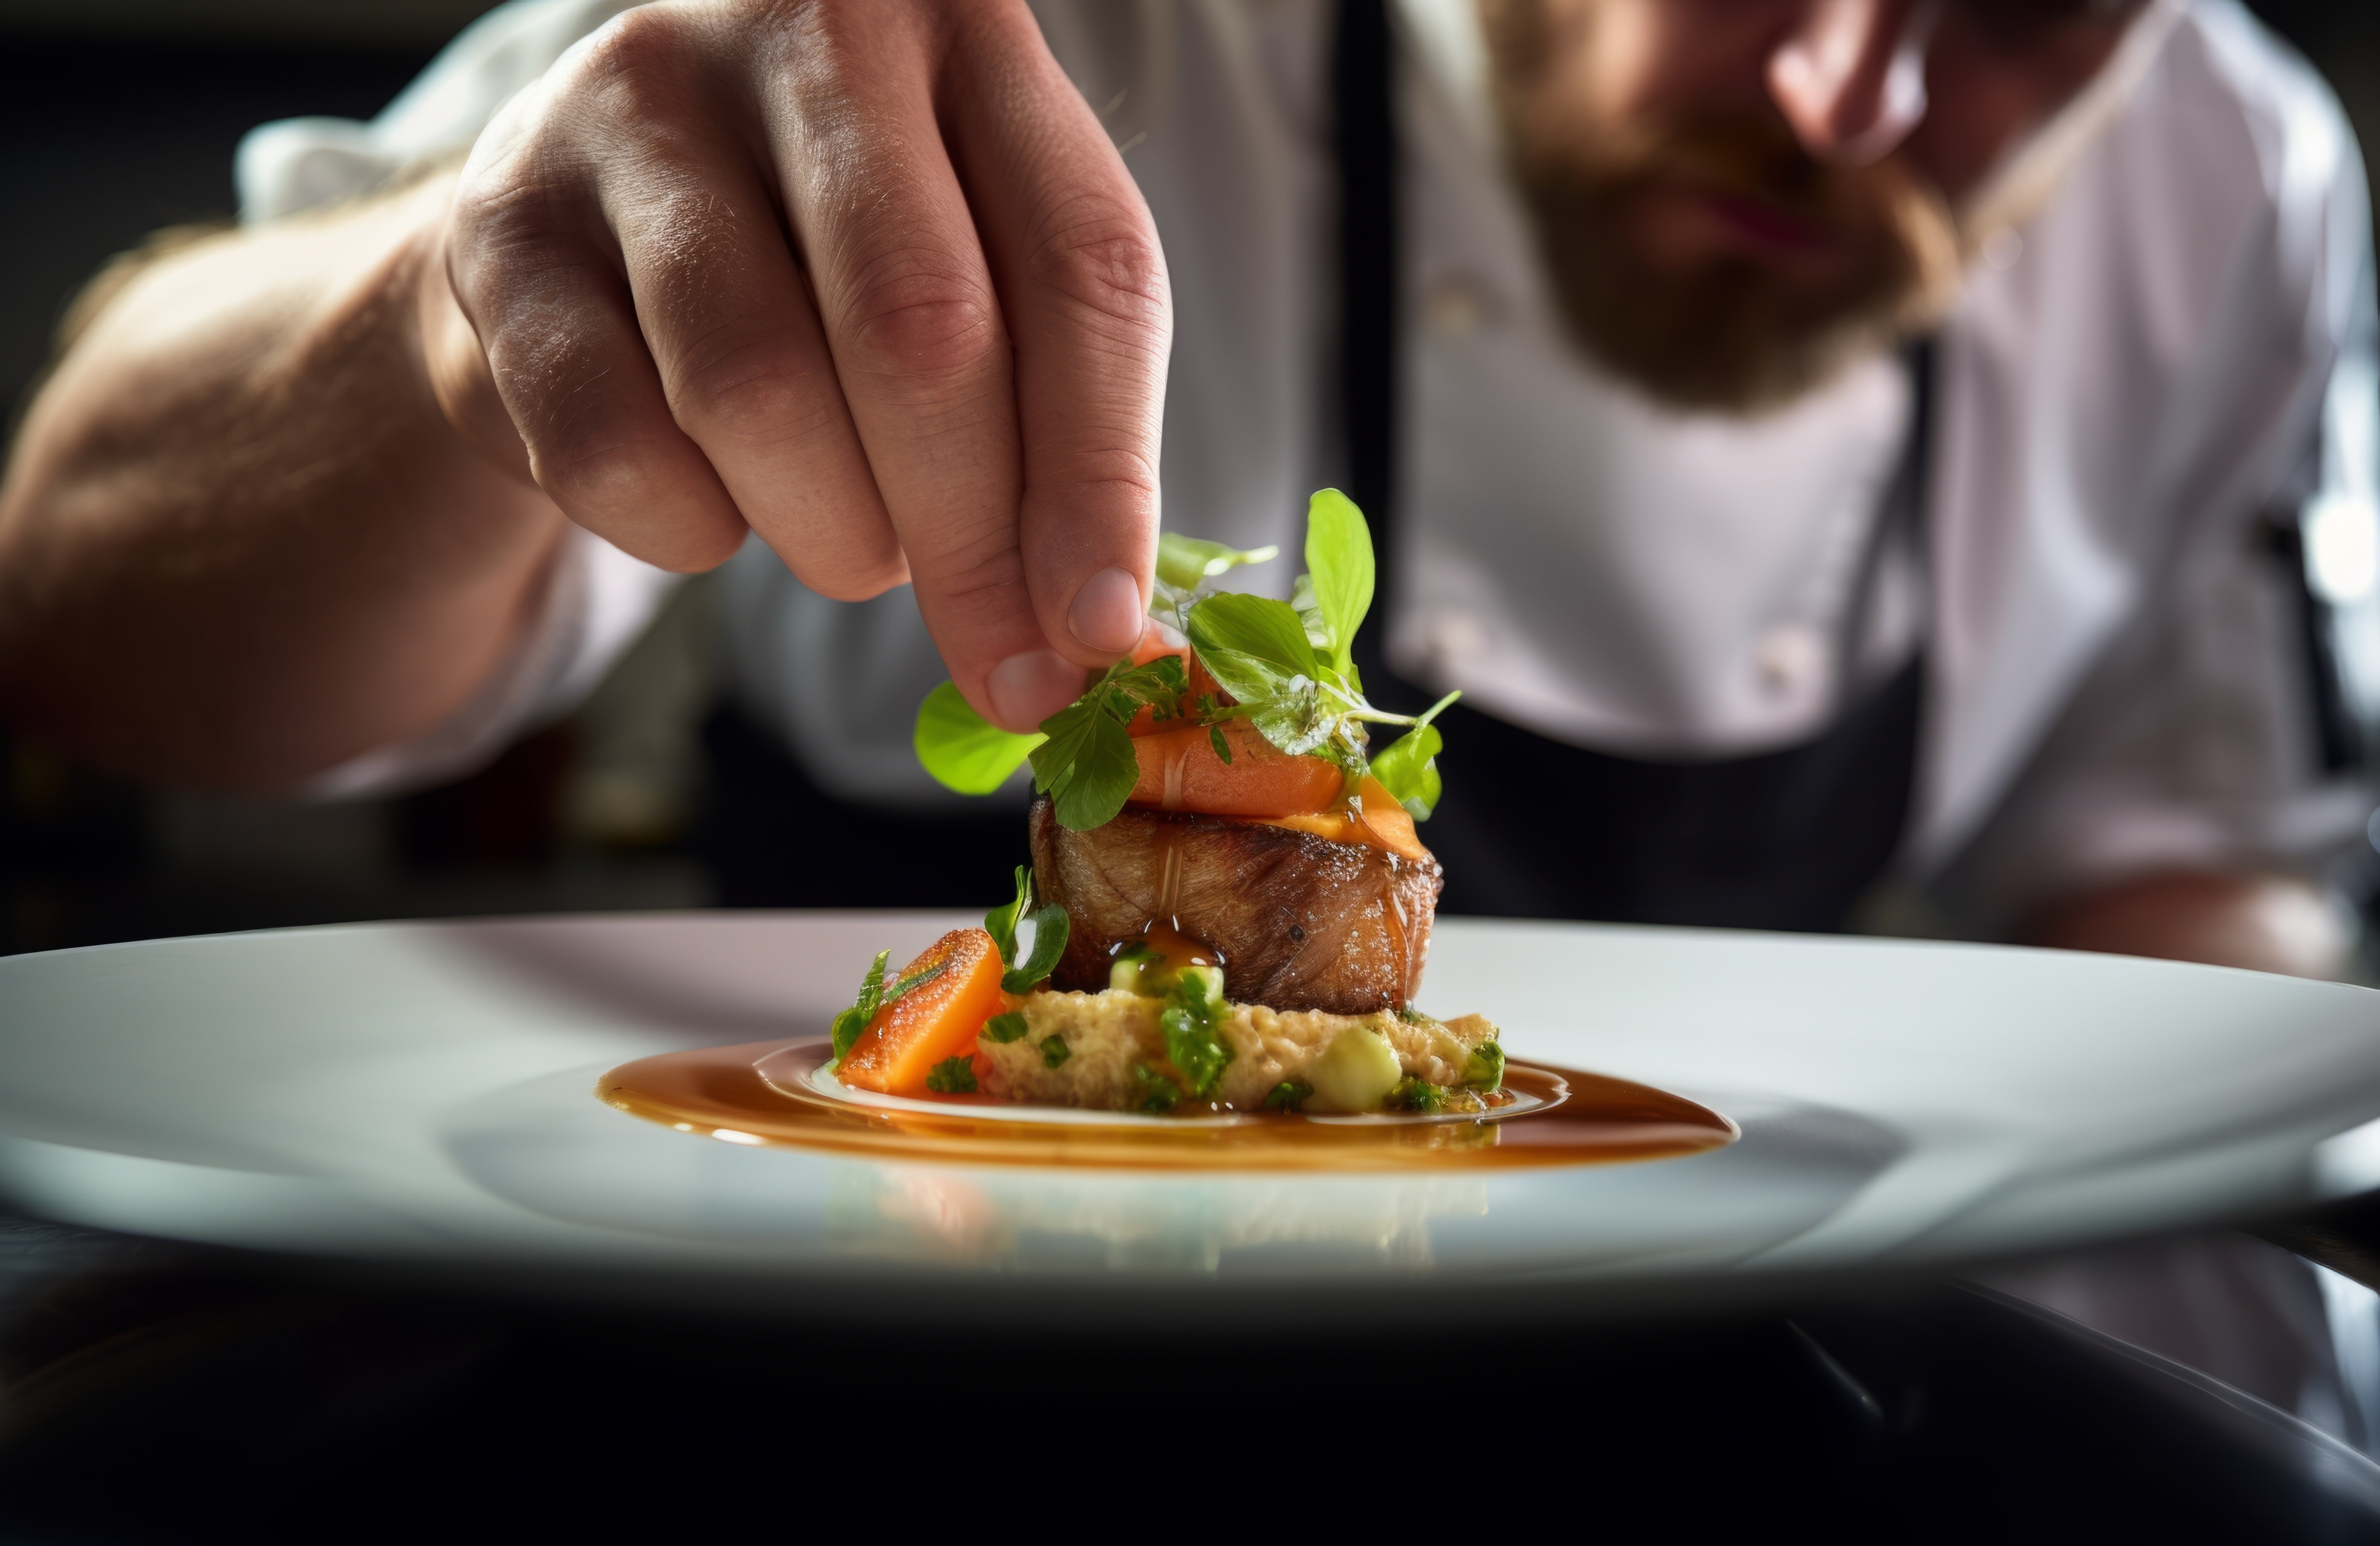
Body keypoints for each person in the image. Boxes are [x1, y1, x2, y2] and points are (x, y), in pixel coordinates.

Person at [0, 0, 2371, 975]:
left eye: (2030, 10)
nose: (1846, 98)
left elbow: (2172, 873)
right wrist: (442, 303)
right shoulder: (998, 26)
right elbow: (87, 612)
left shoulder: (2239, 189)